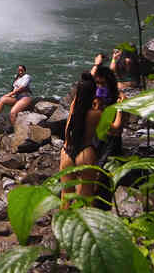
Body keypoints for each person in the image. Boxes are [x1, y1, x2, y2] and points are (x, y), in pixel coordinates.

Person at [59, 73, 100, 208]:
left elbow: (81, 95)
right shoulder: (96, 114)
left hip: (67, 152)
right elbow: (114, 128)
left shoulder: (73, 108)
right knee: (87, 197)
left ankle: (63, 227)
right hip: (85, 152)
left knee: (65, 197)